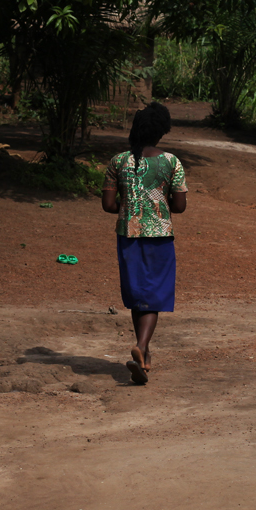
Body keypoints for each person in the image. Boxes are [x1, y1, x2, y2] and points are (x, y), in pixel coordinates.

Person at [101, 102, 187, 385]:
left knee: (138, 292)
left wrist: (130, 210)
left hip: (128, 235)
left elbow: (108, 204)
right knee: (156, 293)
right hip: (160, 235)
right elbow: (180, 206)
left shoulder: (119, 161)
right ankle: (141, 345)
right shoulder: (171, 162)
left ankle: (145, 356)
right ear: (162, 131)